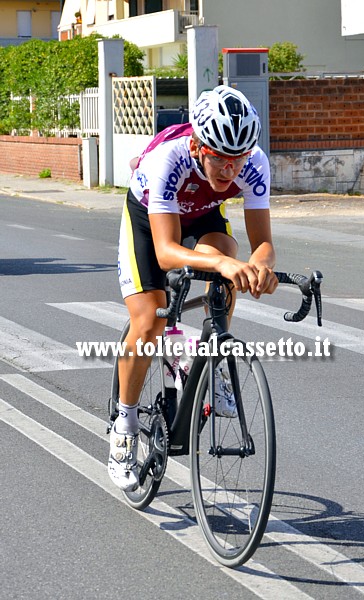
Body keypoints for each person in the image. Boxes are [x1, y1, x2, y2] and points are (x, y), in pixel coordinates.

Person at [108, 84, 278, 491]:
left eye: (237, 160)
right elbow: (166, 252)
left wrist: (260, 267)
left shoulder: (254, 163)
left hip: (202, 215)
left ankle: (212, 361)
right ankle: (125, 423)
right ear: (199, 146)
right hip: (150, 222)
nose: (229, 170)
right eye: (220, 158)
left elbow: (264, 246)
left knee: (230, 264)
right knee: (149, 320)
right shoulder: (170, 158)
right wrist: (224, 262)